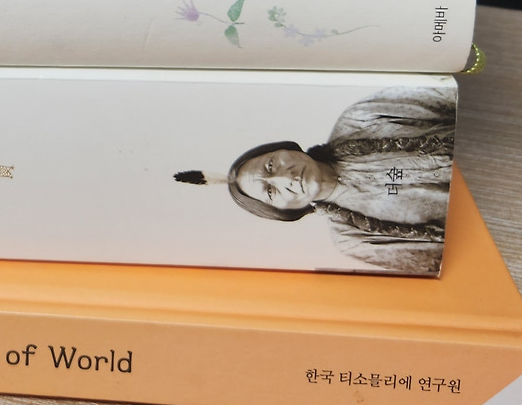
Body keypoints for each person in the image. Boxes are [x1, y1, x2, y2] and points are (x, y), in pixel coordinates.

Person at [174, 86, 455, 275]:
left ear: (286, 148)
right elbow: (446, 260)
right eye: (270, 191)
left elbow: (451, 94)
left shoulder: (361, 118)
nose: (285, 176)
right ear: (284, 211)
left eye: (271, 164)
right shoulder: (353, 239)